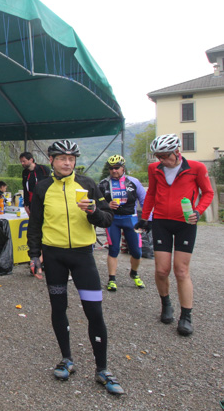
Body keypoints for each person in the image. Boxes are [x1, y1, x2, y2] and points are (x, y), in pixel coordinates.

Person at [27, 140, 123, 395]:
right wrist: (34, 255)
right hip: (54, 255)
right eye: (62, 158)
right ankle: (67, 359)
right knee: (59, 308)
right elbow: (34, 223)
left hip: (83, 256)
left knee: (94, 311)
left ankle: (102, 369)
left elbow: (107, 218)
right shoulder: (42, 187)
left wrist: (92, 212)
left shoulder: (88, 184)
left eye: (71, 159)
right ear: (51, 160)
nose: (67, 163)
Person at [136, 134, 214, 336]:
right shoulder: (155, 169)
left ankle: (186, 316)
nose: (161, 160)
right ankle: (166, 304)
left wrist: (198, 211)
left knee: (181, 271)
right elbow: (152, 193)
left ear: (177, 152)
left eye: (164, 156)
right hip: (162, 221)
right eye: (158, 156)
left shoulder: (196, 168)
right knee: (162, 270)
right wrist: (145, 218)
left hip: (186, 223)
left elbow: (208, 193)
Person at [97, 155, 147, 291]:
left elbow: (144, 201)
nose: (114, 171)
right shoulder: (103, 184)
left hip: (130, 219)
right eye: (111, 168)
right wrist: (107, 205)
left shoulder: (134, 182)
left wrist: (148, 219)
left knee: (136, 252)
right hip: (113, 220)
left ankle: (134, 273)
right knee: (114, 249)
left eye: (117, 168)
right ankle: (112, 279)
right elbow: (97, 203)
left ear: (123, 168)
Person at [20, 151, 51, 216]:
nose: (22, 163)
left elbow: (50, 184)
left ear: (31, 160)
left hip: (43, 200)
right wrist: (26, 204)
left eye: (24, 161)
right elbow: (25, 188)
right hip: (31, 201)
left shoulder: (43, 169)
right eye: (21, 162)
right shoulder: (25, 172)